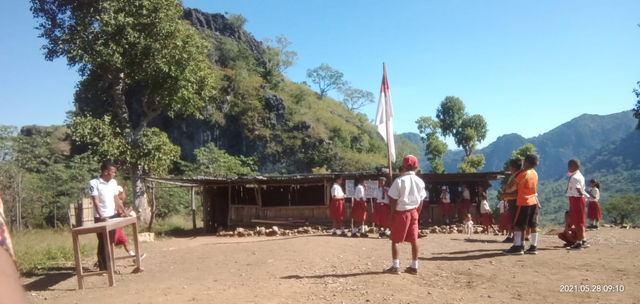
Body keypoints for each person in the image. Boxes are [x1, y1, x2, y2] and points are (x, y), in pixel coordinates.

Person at [384, 155, 427, 275]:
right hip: (414, 211)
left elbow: (393, 199)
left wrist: (392, 215)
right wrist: (417, 213)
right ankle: (414, 266)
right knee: (414, 239)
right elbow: (422, 200)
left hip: (401, 211)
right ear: (416, 167)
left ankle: (396, 265)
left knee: (395, 239)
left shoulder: (399, 181)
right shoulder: (420, 182)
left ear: (403, 166)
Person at [89, 161, 126, 271]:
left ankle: (110, 265)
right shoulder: (94, 183)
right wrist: (101, 216)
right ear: (106, 172)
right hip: (101, 217)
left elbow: (116, 199)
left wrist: (124, 210)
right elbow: (95, 200)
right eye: (113, 172)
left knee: (111, 241)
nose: (114, 174)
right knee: (102, 241)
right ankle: (103, 267)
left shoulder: (113, 182)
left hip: (112, 215)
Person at [502, 154, 539, 255]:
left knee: (518, 225)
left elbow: (512, 183)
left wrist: (505, 189)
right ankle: (533, 246)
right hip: (533, 201)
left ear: (526, 162)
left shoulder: (522, 173)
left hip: (523, 202)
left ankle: (518, 246)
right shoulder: (535, 173)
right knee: (532, 225)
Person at [113, 185, 146, 261]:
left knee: (125, 242)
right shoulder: (118, 203)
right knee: (110, 244)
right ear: (119, 195)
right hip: (116, 227)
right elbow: (121, 215)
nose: (125, 195)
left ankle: (134, 258)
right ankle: (101, 261)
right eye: (124, 194)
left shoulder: (120, 203)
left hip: (119, 227)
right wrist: (130, 210)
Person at [566, 159, 589, 250]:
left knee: (578, 222)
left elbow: (579, 191)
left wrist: (579, 194)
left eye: (569, 166)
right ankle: (583, 239)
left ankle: (579, 242)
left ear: (572, 166)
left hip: (576, 199)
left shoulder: (575, 177)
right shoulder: (579, 175)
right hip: (578, 199)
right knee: (580, 220)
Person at [501, 158, 523, 244]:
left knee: (515, 221)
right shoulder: (514, 176)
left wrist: (506, 194)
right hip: (512, 200)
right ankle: (516, 239)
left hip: (515, 200)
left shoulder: (516, 177)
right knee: (513, 220)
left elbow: (516, 190)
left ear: (512, 167)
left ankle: (517, 243)